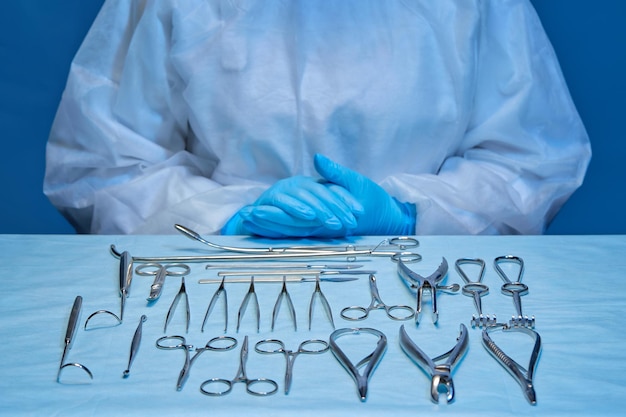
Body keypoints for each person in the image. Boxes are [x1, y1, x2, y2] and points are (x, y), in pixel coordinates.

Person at [44, 0, 591, 237]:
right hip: (223, 276)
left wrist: (409, 216)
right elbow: (103, 164)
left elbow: (530, 160)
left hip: (426, 275)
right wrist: (224, 223)